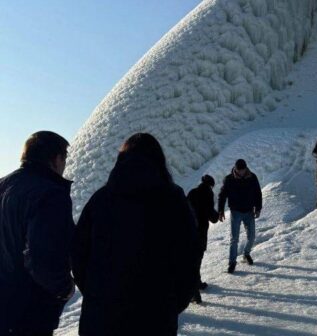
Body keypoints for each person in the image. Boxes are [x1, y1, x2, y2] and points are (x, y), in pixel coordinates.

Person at [71, 133, 199, 336]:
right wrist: (171, 304)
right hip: (154, 319)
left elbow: (78, 254)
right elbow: (189, 257)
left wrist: (98, 293)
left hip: (101, 320)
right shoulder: (173, 200)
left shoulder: (101, 200)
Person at [0, 131, 75, 336]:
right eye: (64, 158)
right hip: (28, 310)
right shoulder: (50, 193)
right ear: (56, 159)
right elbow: (42, 256)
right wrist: (64, 288)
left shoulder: (4, 186)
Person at [218, 159, 262, 274]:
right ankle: (232, 262)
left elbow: (258, 193)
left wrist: (258, 208)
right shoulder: (229, 179)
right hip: (235, 212)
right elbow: (222, 195)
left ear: (246, 168)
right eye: (239, 170)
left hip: (249, 212)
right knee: (234, 239)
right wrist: (221, 210)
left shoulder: (252, 177)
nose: (241, 172)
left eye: (243, 170)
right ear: (235, 169)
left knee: (251, 237)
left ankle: (246, 254)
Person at [186, 174, 218, 304]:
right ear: (210, 185)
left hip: (189, 231)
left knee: (193, 260)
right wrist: (216, 216)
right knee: (195, 261)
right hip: (200, 233)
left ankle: (197, 284)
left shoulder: (192, 192)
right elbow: (212, 216)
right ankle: (195, 293)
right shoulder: (208, 195)